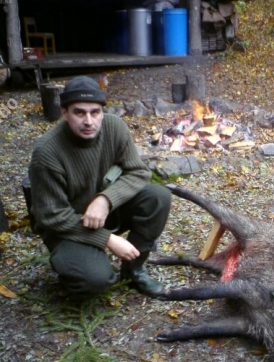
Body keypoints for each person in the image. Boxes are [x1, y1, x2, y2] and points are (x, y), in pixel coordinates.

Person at [29, 76, 171, 297]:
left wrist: (105, 200)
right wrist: (107, 240)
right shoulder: (47, 153)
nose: (88, 121)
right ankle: (79, 263)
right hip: (66, 228)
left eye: (95, 112)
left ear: (102, 112)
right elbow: (51, 216)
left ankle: (134, 269)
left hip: (104, 214)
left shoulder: (114, 127)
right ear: (64, 113)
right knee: (94, 280)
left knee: (158, 197)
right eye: (79, 112)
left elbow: (139, 172)